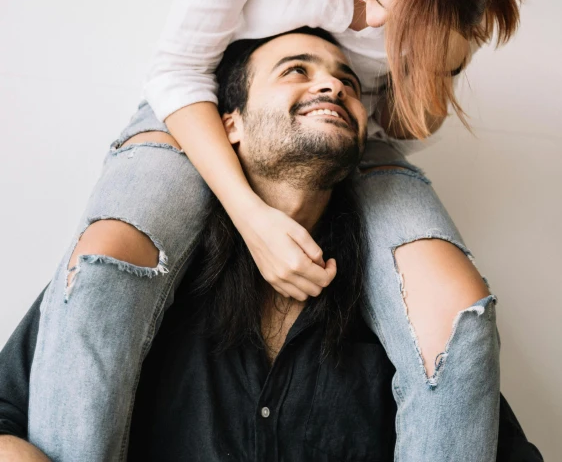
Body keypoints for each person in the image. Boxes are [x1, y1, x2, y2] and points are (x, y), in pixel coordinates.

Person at [24, 0, 529, 462]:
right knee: (106, 265)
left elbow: (404, 127)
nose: (367, 24)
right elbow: (178, 69)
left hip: (353, 139)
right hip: (201, 107)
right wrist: (251, 215)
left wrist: (444, 54)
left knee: (458, 315)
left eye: (388, 15)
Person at [0, 29, 543, 461]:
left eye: (349, 83)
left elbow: (488, 442)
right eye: (297, 70)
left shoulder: (404, 302)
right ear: (228, 124)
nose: (333, 87)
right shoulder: (140, 272)